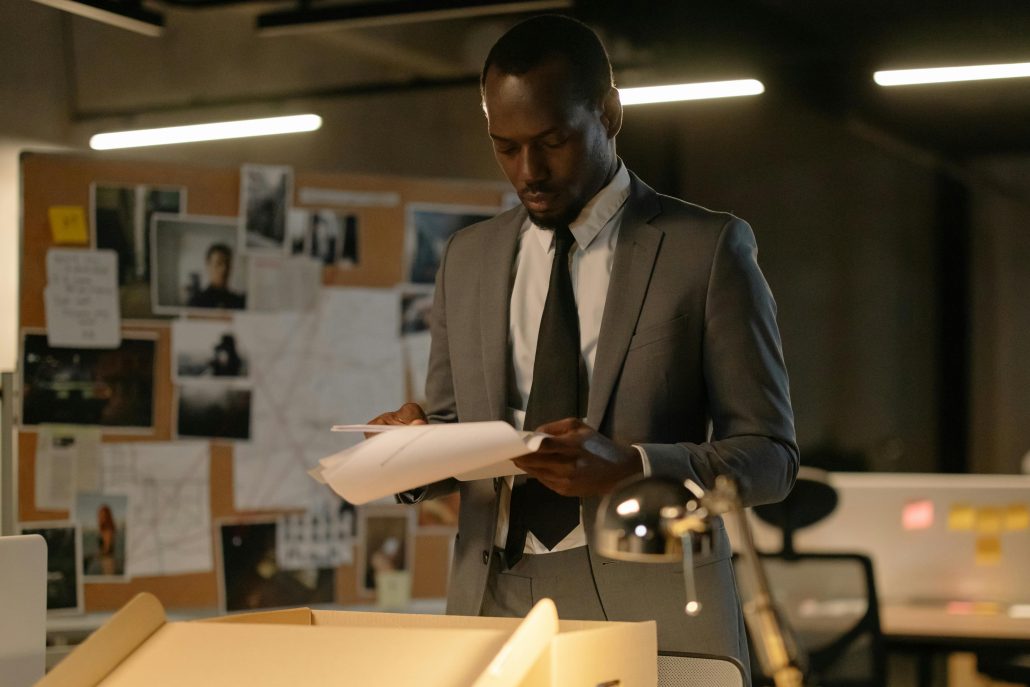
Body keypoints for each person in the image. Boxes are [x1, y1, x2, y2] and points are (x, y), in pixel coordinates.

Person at [369, 14, 798, 670]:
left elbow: (770, 459)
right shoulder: (468, 257)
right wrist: (413, 449)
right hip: (493, 597)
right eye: (505, 146)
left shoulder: (706, 249)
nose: (528, 170)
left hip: (653, 592)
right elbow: (459, 428)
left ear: (610, 113)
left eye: (553, 140)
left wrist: (633, 465)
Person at [187, 243, 246, 309]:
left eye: (227, 263)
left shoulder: (239, 301)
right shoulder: (197, 302)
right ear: (208, 265)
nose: (224, 269)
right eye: (218, 263)